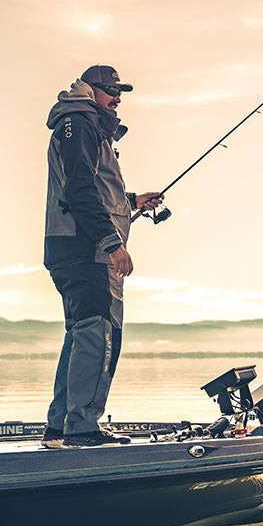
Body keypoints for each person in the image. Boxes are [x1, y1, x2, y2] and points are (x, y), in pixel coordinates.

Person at [41, 64, 162, 448]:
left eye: (119, 90)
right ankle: (82, 429)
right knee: (99, 335)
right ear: (89, 89)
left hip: (69, 245)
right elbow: (80, 190)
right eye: (110, 89)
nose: (117, 96)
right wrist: (113, 244)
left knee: (80, 334)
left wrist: (130, 203)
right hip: (86, 248)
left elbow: (91, 190)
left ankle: (60, 427)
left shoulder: (81, 125)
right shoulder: (81, 122)